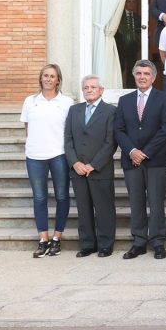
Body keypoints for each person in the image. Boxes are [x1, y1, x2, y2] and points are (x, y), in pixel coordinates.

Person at [114, 59, 166, 260]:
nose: (142, 77)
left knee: (156, 202)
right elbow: (118, 129)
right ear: (134, 76)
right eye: (139, 73)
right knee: (136, 202)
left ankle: (157, 242)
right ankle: (139, 242)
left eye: (146, 74)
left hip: (156, 159)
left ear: (154, 77)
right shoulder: (124, 100)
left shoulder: (164, 99)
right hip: (131, 161)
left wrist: (145, 152)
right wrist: (132, 151)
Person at [21, 64, 72, 257]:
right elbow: (27, 127)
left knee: (62, 196)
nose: (49, 79)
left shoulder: (67, 102)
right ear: (40, 78)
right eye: (45, 76)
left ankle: (57, 238)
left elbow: (70, 131)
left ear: (58, 80)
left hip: (59, 155)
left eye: (52, 76)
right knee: (40, 198)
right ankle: (43, 238)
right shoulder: (30, 101)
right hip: (35, 156)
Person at [64, 75, 118, 257]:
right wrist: (75, 163)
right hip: (78, 170)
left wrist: (93, 165)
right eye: (86, 87)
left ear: (101, 90)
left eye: (93, 87)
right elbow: (68, 140)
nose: (89, 90)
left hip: (100, 169)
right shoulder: (74, 110)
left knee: (104, 208)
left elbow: (111, 142)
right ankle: (87, 244)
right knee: (83, 208)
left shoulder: (110, 111)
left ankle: (105, 244)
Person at [115, 0, 141, 87]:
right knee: (120, 68)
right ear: (125, 3)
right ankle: (118, 87)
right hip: (120, 46)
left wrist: (139, 47)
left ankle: (130, 88)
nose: (131, 4)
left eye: (133, 2)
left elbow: (140, 33)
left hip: (133, 48)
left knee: (131, 70)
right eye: (129, 2)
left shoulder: (138, 18)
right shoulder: (119, 17)